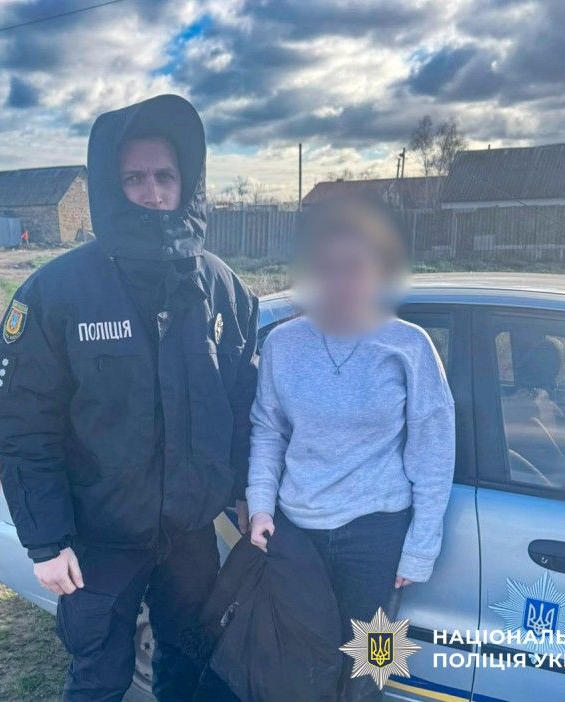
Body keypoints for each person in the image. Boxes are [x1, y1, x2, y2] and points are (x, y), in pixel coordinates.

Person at [0, 94, 258, 702]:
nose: (153, 192)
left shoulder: (223, 290)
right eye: (134, 178)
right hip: (99, 540)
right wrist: (46, 541)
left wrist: (247, 491)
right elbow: (23, 427)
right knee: (99, 680)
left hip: (190, 537)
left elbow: (243, 407)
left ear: (187, 181)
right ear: (112, 187)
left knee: (190, 670)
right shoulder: (57, 293)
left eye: (165, 175)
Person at [246, 196, 456, 700]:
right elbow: (268, 430)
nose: (340, 281)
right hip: (298, 533)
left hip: (378, 536)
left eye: (354, 267)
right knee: (303, 664)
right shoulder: (282, 345)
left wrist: (419, 548)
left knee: (372, 668)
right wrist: (260, 506)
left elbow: (433, 451)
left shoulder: (409, 346)